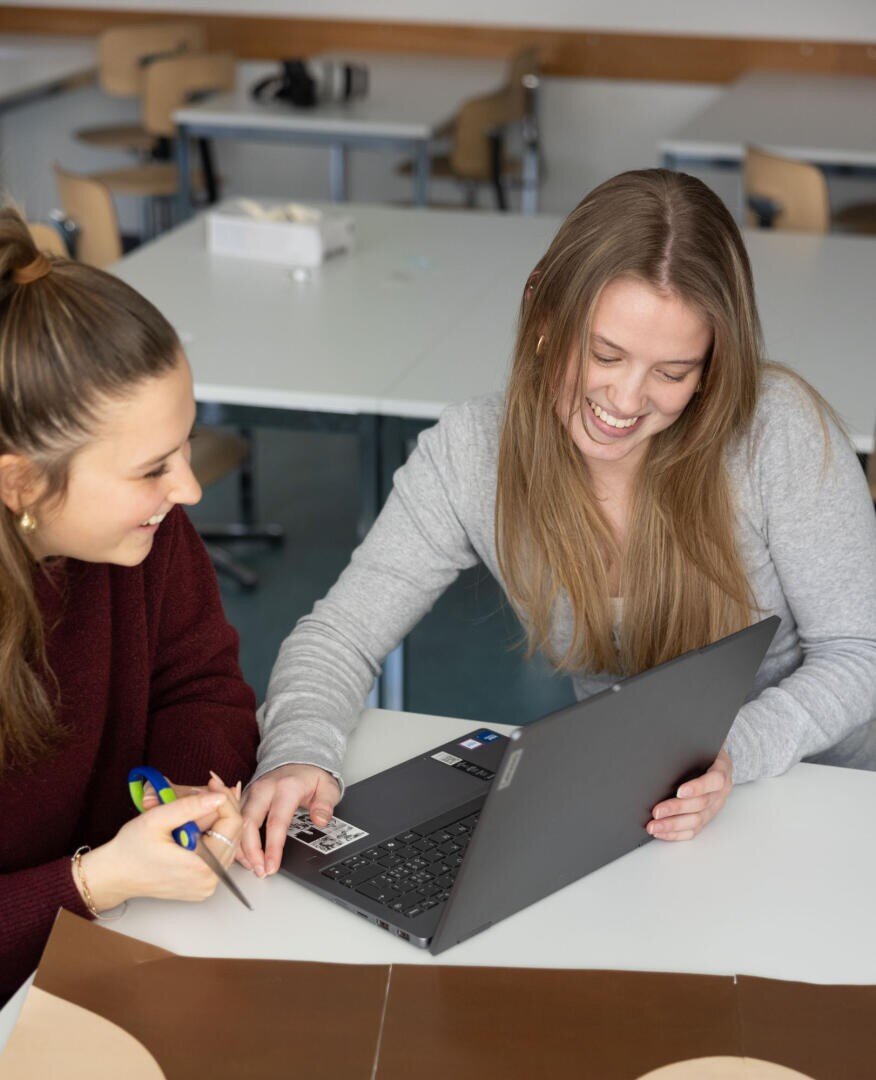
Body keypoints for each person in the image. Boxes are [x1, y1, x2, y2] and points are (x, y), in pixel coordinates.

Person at [239, 168, 876, 878]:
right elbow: (341, 634)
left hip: (826, 802)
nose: (626, 400)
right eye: (605, 354)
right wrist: (298, 750)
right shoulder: (471, 453)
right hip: (638, 818)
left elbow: (858, 653)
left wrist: (735, 754)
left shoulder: (777, 431)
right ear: (544, 315)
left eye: (672, 373)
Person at [0, 208, 259, 1005]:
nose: (187, 489)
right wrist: (97, 879)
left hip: (114, 955)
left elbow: (202, 682)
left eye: (186, 444)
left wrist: (190, 798)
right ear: (21, 485)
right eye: (153, 469)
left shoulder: (145, 541)